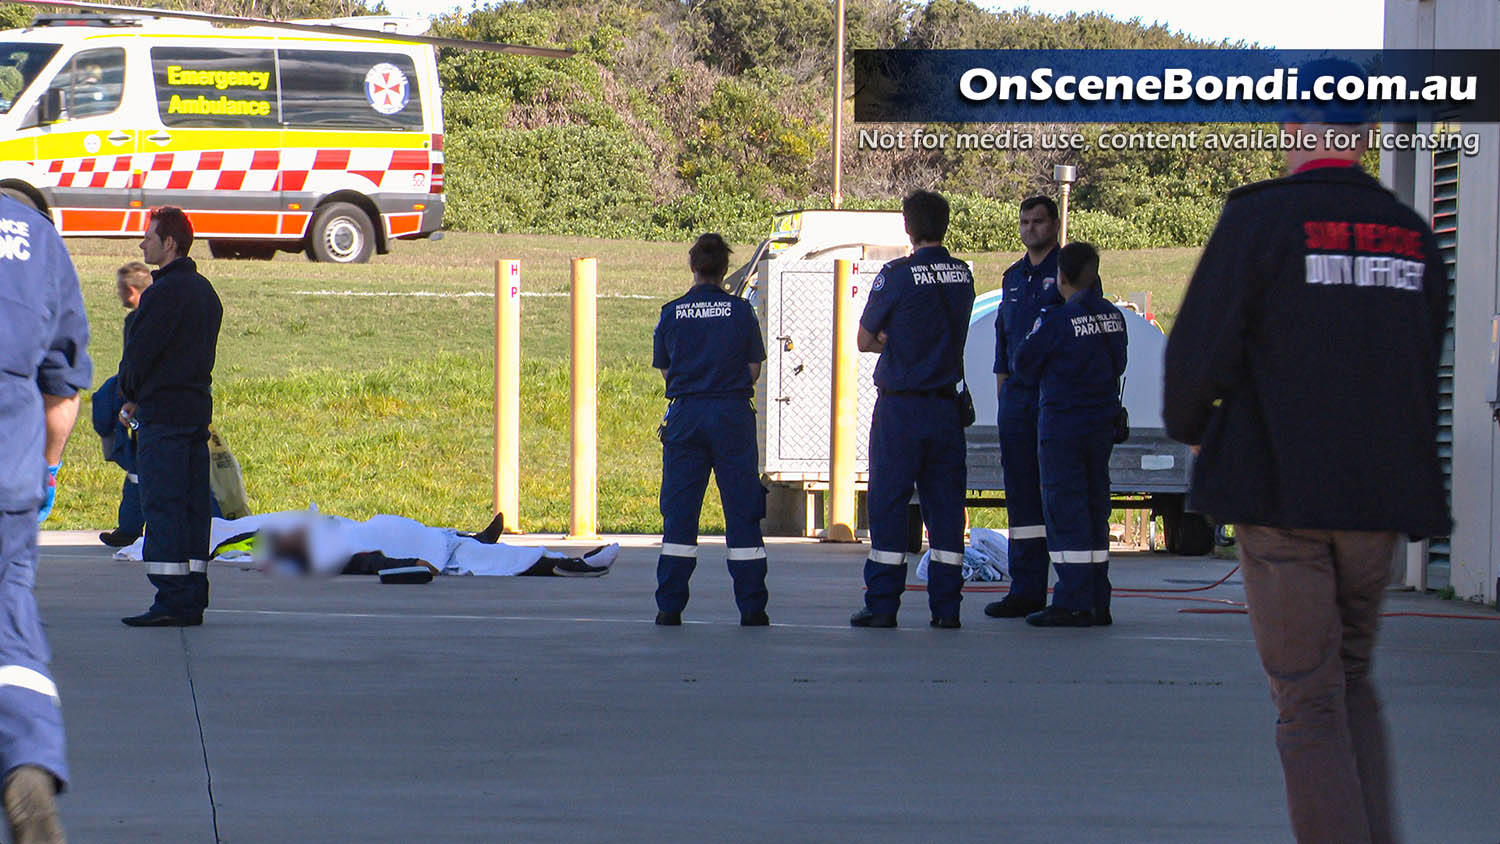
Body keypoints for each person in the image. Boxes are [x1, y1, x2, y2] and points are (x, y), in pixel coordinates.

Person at [1163, 91, 1450, 842]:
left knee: (1306, 699)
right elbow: (1425, 364)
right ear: (1363, 138)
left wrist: (1193, 429)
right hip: (1377, 499)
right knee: (1350, 681)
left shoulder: (1260, 219)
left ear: (1294, 131)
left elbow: (1197, 354)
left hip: (1282, 493)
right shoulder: (1413, 236)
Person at [0, 192, 90, 842]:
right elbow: (62, 398)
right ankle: (27, 758)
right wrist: (48, 471)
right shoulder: (43, 245)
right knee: (11, 626)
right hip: (8, 466)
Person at [850, 190, 975, 629]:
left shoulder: (896, 275)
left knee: (889, 506)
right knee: (944, 511)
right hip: (945, 409)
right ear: (944, 223)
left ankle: (883, 605)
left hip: (902, 410)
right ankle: (947, 609)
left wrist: (894, 341)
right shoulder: (963, 275)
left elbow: (864, 339)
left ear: (908, 226)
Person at [651, 234, 770, 626]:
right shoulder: (740, 313)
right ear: (723, 270)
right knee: (742, 511)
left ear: (693, 267)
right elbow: (754, 369)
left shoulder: (671, 313)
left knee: (680, 514)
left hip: (686, 416)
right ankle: (752, 608)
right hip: (732, 416)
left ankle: (670, 607)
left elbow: (668, 372)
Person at [1010, 242, 1126, 627]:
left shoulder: (1057, 321)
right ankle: (1097, 599)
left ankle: (1072, 599)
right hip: (1101, 425)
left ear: (1061, 277)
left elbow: (1024, 364)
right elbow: (1119, 361)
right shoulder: (1114, 317)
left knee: (1066, 511)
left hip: (1063, 427)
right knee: (1096, 510)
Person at [119, 207, 223, 627]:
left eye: (149, 237)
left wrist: (129, 393)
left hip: (163, 419)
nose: (143, 244)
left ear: (170, 244)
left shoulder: (162, 296)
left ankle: (170, 600)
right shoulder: (205, 293)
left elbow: (142, 355)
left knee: (161, 507)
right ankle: (192, 594)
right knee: (193, 510)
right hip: (194, 417)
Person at [114, 510, 618, 578]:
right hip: (333, 542)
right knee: (399, 538)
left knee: (411, 533)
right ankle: (554, 563)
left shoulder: (227, 530)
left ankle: (457, 541)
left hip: (337, 532)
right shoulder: (227, 542)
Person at [983, 196, 1063, 621]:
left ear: (1054, 225)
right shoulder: (1013, 277)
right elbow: (1003, 340)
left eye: (1038, 222)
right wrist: (1004, 396)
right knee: (1022, 500)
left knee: (1060, 497)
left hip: (1054, 401)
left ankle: (1071, 592)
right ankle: (1026, 589)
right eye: (1025, 222)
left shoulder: (1070, 272)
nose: (1030, 229)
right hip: (1016, 403)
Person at [93, 262, 153, 547]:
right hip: (144, 400)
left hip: (141, 404)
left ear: (130, 290)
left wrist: (131, 400)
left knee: (141, 468)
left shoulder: (138, 321)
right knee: (139, 470)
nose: (117, 293)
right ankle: (129, 527)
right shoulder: (156, 316)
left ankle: (132, 528)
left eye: (120, 288)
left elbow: (135, 365)